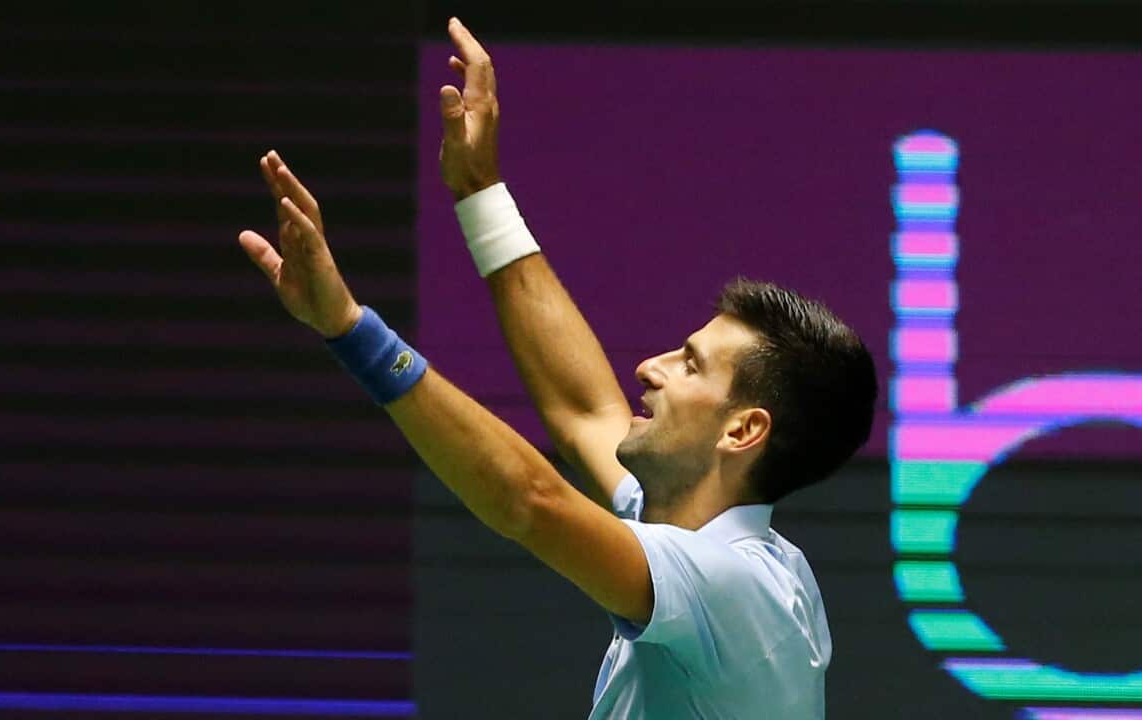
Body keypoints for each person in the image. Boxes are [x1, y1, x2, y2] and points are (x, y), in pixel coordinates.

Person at [238, 17, 877, 719]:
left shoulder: (735, 587)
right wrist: (480, 193)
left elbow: (531, 501)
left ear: (742, 430)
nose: (650, 367)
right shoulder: (690, 527)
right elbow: (585, 412)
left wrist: (352, 330)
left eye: (690, 366)